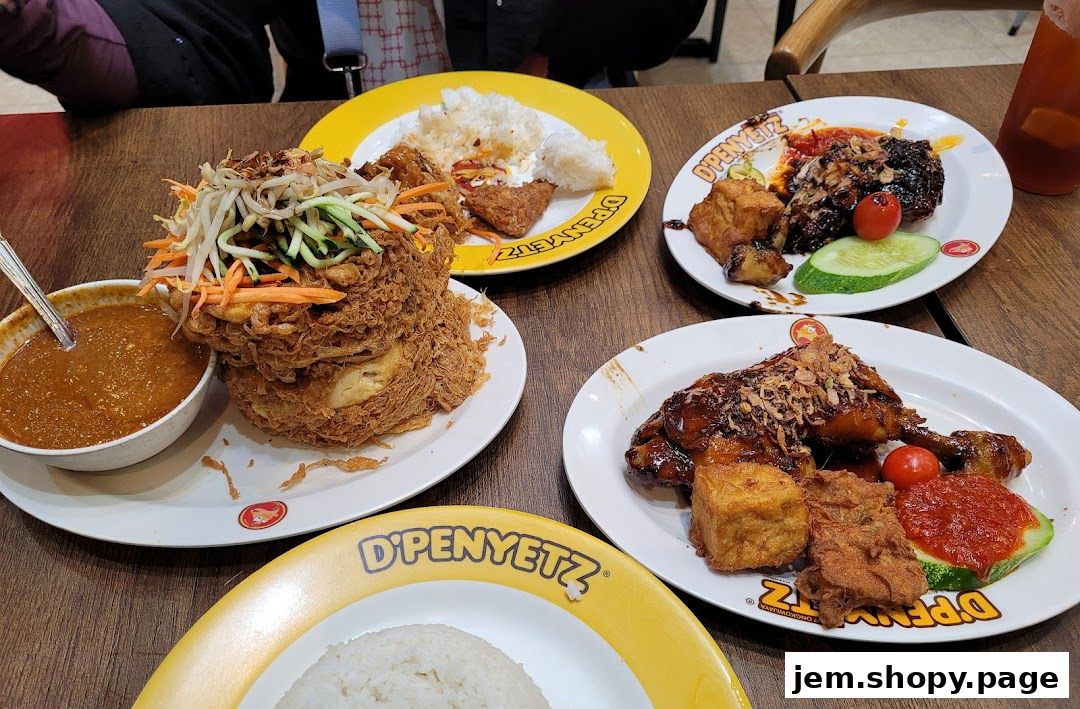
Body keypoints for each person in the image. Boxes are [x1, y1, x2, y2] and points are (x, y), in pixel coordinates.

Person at [0, 0, 704, 111]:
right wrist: (44, 23)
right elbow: (198, 49)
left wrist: (550, 59)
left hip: (567, 117)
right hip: (337, 127)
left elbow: (658, 11)